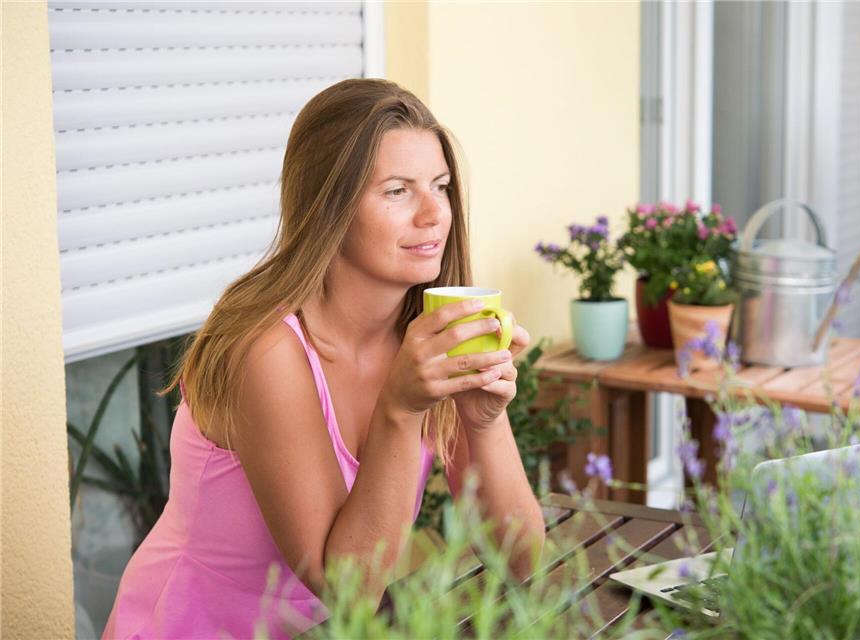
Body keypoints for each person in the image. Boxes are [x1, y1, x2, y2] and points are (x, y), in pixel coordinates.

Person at [102, 78, 545, 639]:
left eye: (441, 185)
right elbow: (346, 587)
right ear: (327, 205)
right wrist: (401, 409)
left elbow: (520, 561)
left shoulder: (422, 341)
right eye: (396, 191)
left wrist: (482, 420)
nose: (435, 213)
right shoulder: (265, 350)